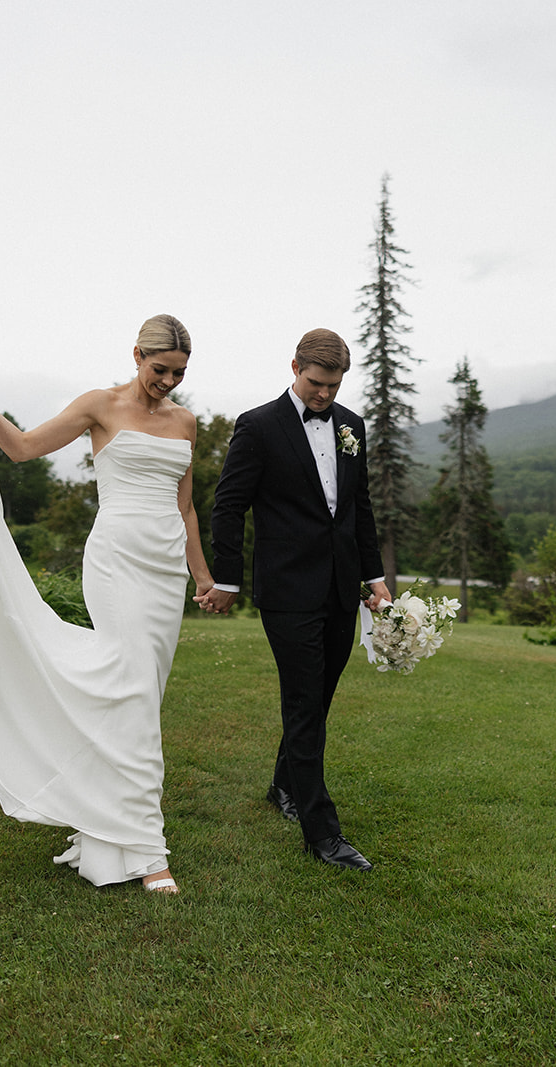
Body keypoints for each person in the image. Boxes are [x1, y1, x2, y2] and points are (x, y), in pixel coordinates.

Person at [0, 313, 210, 894]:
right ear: (136, 354)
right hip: (117, 565)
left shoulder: (185, 422)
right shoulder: (99, 406)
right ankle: (149, 852)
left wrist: (203, 578)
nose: (168, 382)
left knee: (138, 701)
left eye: (178, 373)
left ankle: (105, 828)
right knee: (132, 696)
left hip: (164, 575)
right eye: (160, 369)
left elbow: (185, 507)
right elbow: (23, 448)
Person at [197, 328, 391, 871]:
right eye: (315, 383)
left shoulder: (352, 425)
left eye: (333, 385)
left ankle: (283, 783)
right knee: (305, 702)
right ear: (295, 367)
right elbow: (228, 506)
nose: (324, 395)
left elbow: (360, 508)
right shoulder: (258, 426)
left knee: (320, 697)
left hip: (341, 587)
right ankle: (322, 833)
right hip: (286, 590)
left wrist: (373, 576)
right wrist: (228, 580)